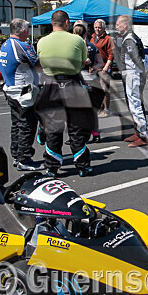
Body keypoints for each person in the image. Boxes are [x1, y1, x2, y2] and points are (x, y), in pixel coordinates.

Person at [35, 10, 95, 176]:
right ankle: (83, 166)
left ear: (51, 23)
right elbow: (83, 61)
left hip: (50, 85)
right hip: (72, 84)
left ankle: (52, 167)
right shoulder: (77, 40)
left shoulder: (41, 42)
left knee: (53, 127)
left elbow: (40, 63)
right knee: (77, 127)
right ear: (67, 23)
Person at [0, 18, 42, 171]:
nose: (28, 32)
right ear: (23, 31)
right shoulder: (22, 45)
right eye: (28, 29)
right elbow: (38, 65)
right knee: (27, 125)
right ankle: (24, 158)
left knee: (17, 124)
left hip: (11, 90)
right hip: (22, 92)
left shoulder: (5, 44)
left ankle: (17, 155)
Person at [116, 15, 148, 147]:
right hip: (133, 74)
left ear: (126, 25)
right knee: (134, 104)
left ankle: (142, 135)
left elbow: (136, 58)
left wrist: (145, 71)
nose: (117, 27)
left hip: (132, 74)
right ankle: (138, 131)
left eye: (118, 24)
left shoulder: (129, 39)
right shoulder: (131, 37)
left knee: (135, 105)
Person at [90, 19, 114, 117]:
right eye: (96, 27)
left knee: (104, 89)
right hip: (94, 67)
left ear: (103, 28)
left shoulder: (108, 39)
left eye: (99, 27)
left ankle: (106, 108)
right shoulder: (92, 38)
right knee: (96, 89)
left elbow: (111, 55)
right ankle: (98, 107)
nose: (97, 29)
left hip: (104, 67)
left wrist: (106, 67)